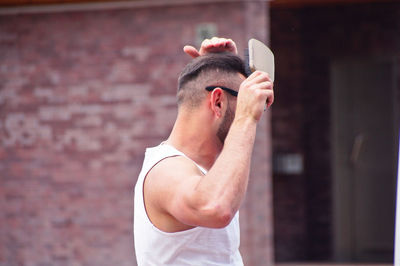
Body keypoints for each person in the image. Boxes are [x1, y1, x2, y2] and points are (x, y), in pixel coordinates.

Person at [134, 37, 274, 265]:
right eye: (247, 101)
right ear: (218, 102)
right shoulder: (165, 171)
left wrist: (219, 66)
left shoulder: (205, 171)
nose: (257, 112)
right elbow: (216, 207)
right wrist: (245, 117)